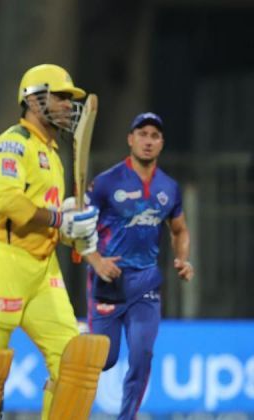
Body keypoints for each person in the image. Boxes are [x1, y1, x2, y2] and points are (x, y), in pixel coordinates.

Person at [0, 64, 110, 420]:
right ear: (35, 99)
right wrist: (59, 218)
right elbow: (8, 201)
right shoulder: (13, 143)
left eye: (72, 100)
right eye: (62, 97)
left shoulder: (53, 156)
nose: (70, 106)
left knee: (75, 362)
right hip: (3, 261)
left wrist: (73, 232)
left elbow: (49, 216)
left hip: (43, 270)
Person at [82, 112, 193, 420]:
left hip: (145, 283)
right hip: (108, 279)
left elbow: (180, 229)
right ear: (130, 139)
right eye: (142, 134)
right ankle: (78, 337)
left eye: (154, 136)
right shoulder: (106, 182)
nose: (148, 140)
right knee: (105, 359)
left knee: (143, 355)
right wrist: (96, 260)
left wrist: (183, 259)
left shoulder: (169, 188)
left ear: (161, 144)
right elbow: (78, 228)